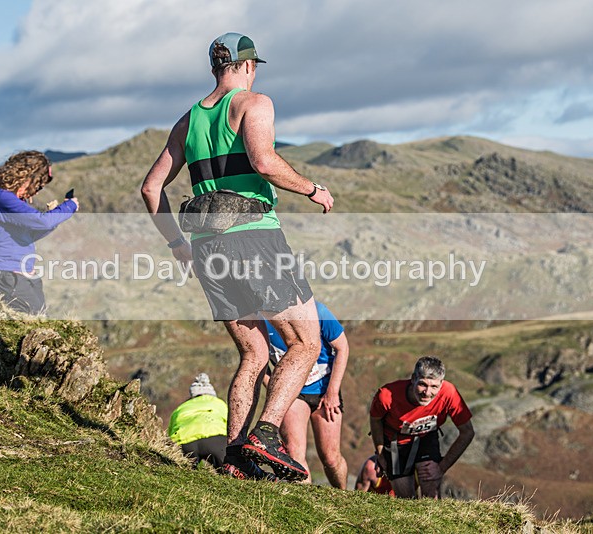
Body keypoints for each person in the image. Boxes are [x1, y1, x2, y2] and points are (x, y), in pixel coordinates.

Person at [140, 32, 334, 482]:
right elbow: (263, 161)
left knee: (254, 352)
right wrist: (313, 189)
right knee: (306, 343)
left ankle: (234, 458)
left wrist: (176, 245)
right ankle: (264, 436)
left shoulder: (188, 121)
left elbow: (152, 189)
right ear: (248, 66)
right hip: (253, 236)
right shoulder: (253, 103)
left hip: (207, 246)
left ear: (215, 67)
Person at [0, 150, 79, 314]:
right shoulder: (0, 198)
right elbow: (41, 221)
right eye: (39, 185)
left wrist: (53, 218)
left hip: (21, 275)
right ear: (28, 178)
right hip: (7, 274)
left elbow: (31, 234)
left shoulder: (7, 199)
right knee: (32, 322)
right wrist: (69, 207)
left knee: (39, 321)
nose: (37, 191)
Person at [263, 301, 349, 488]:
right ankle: (309, 503)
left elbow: (342, 347)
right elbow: (258, 361)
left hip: (323, 390)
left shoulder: (317, 310)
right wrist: (277, 391)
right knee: (294, 451)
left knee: (331, 457)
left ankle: (343, 496)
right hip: (292, 393)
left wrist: (332, 392)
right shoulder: (260, 318)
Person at [369, 356, 475, 498]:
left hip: (426, 437)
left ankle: (433, 519)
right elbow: (375, 420)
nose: (427, 392)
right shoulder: (386, 396)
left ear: (441, 384)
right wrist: (380, 454)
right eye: (423, 384)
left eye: (434, 387)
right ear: (413, 379)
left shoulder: (449, 393)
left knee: (431, 485)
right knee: (406, 498)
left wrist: (441, 468)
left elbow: (467, 432)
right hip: (396, 441)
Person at [167, 373, 228, 469]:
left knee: (185, 474)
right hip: (214, 438)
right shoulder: (220, 404)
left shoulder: (180, 408)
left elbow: (170, 433)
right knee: (227, 471)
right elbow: (231, 426)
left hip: (185, 442)